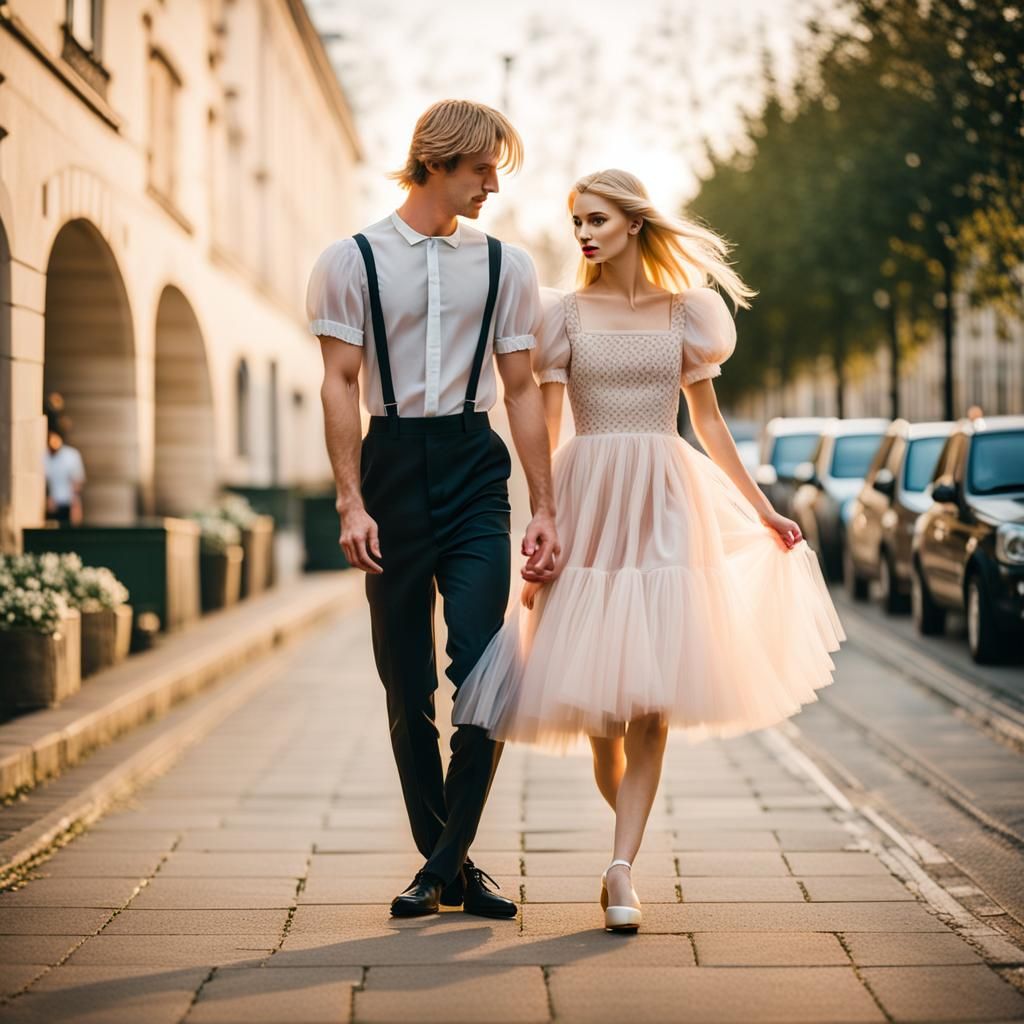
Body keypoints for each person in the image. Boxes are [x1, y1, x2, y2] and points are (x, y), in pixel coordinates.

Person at [454, 169, 845, 933]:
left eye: (596, 219)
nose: (585, 235)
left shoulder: (687, 315)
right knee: (604, 718)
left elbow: (711, 425)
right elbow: (548, 426)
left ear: (633, 223)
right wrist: (546, 518)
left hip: (668, 502)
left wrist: (764, 510)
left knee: (652, 702)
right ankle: (626, 832)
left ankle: (621, 866)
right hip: (590, 498)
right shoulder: (561, 315)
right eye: (576, 224)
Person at [307, 100, 559, 920]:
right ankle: (448, 865)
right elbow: (339, 383)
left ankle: (440, 866)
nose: (493, 184)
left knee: (486, 669)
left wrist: (543, 506)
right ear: (437, 161)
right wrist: (351, 501)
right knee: (404, 680)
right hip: (389, 469)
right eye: (482, 169)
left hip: (472, 467)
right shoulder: (350, 261)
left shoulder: (507, 266)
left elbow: (521, 390)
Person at [44, 430, 85, 526]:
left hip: (68, 503)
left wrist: (75, 504)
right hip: (52, 504)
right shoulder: (44, 456)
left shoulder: (71, 455)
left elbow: (77, 480)